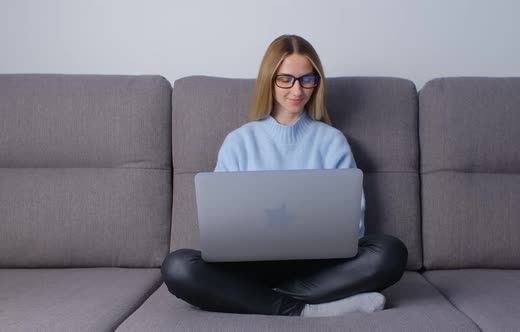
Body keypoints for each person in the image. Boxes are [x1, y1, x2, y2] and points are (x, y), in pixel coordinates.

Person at [161, 35, 408, 317]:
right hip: (249, 268)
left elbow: (355, 227)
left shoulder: (332, 141)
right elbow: (219, 226)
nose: (297, 89)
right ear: (269, 80)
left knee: (390, 252)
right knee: (178, 267)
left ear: (317, 82)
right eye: (286, 79)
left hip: (320, 268)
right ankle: (308, 310)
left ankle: (252, 300)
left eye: (307, 79)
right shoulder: (239, 141)